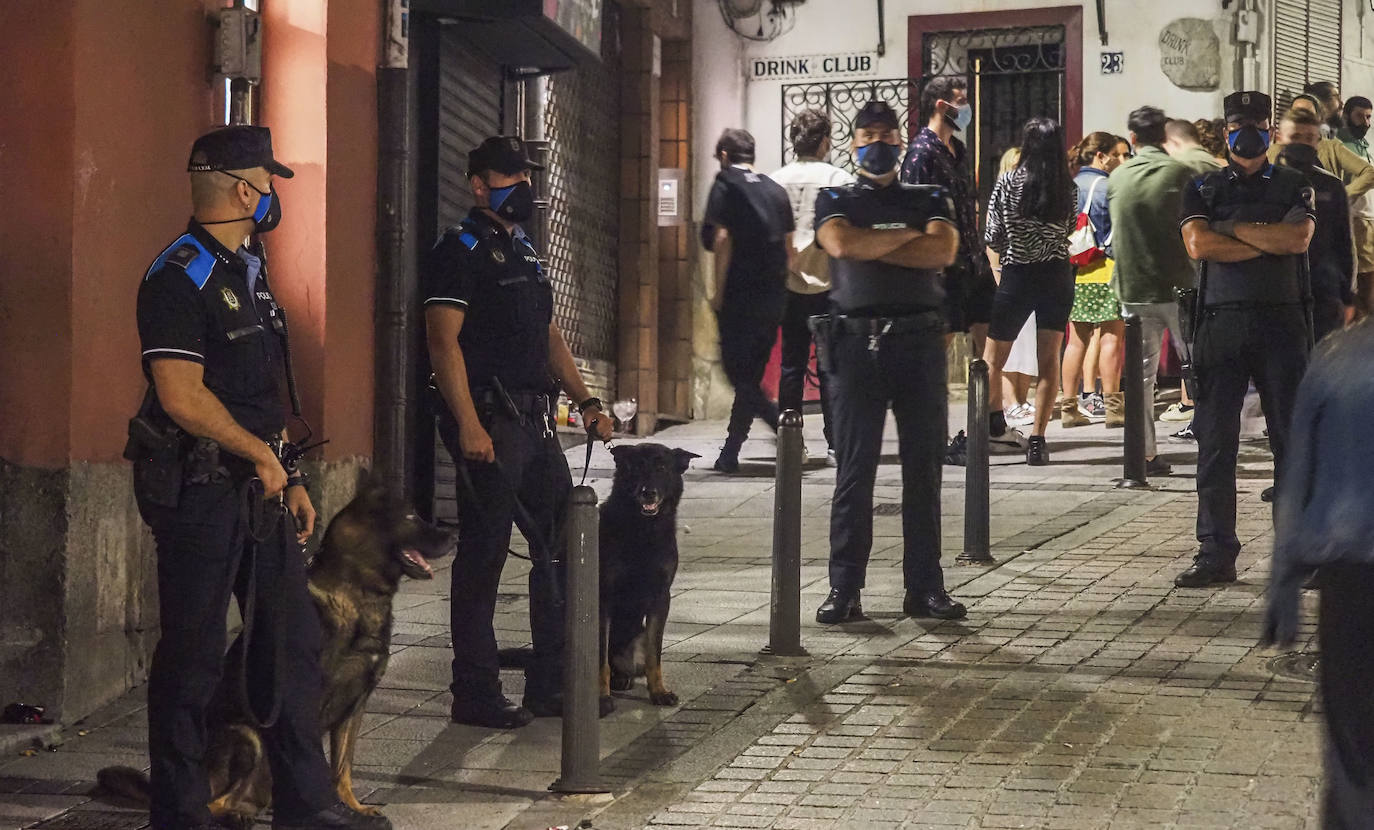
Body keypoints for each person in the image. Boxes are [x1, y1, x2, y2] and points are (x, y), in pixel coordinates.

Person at [131, 126, 387, 829]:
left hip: (262, 489)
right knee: (193, 656)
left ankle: (306, 805)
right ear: (245, 189)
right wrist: (260, 454)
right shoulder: (178, 275)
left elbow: (258, 391)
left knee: (292, 645)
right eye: (268, 181)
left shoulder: (249, 267)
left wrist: (290, 471)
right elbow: (181, 395)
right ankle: (179, 813)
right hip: (200, 490)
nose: (274, 193)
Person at [423, 135, 613, 728]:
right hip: (493, 422)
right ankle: (475, 693)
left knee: (562, 546)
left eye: (524, 174)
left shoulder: (526, 251)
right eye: (507, 176)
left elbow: (549, 334)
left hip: (536, 422)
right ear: (478, 184)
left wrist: (586, 402)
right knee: (482, 558)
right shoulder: (458, 250)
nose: (520, 185)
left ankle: (550, 683)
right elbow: (441, 341)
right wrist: (469, 425)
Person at [811, 100, 966, 624]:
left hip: (919, 344)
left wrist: (870, 243)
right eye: (867, 134)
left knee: (924, 473)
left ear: (901, 141)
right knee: (855, 473)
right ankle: (844, 590)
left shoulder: (931, 195)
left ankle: (925, 589)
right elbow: (838, 241)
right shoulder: (834, 197)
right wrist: (907, 238)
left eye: (886, 133)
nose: (877, 142)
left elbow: (941, 253)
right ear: (852, 142)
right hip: (855, 346)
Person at [1175, 91, 1315, 588]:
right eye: (1238, 123)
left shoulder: (1295, 184)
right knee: (1215, 445)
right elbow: (1198, 244)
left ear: (1270, 131)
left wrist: (1230, 230)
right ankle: (1215, 552)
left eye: (1257, 123)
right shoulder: (1202, 187)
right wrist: (1261, 238)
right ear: (1225, 129)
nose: (1247, 132)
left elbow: (1296, 241)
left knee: (1291, 443)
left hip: (1282, 325)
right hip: (1219, 324)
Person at [1263, 321, 1374, 827]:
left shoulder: (1336, 355)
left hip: (1349, 575)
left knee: (1351, 746)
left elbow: (1298, 471)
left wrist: (1284, 582)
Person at [900, 76, 1000, 461]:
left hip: (971, 263)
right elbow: (914, 214)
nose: (967, 108)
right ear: (942, 106)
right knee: (933, 354)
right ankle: (931, 437)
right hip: (943, 269)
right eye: (961, 101)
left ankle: (990, 424)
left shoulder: (957, 149)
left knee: (991, 340)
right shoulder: (921, 154)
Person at [983, 117, 1078, 465]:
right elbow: (1069, 227)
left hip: (1017, 273)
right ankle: (1038, 439)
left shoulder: (1008, 181)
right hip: (1056, 274)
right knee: (1049, 359)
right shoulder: (1067, 186)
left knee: (994, 357)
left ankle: (994, 421)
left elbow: (993, 233)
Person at [702, 128, 795, 473]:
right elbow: (790, 248)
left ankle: (781, 424)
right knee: (751, 377)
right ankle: (730, 452)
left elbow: (722, 238)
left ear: (725, 155)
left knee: (736, 373)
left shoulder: (725, 184)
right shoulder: (775, 190)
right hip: (772, 299)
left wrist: (718, 292)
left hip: (740, 298)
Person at [769, 110, 854, 459]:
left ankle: (792, 443)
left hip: (789, 286)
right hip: (829, 286)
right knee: (830, 366)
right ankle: (835, 443)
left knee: (791, 364)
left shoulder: (774, 181)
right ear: (823, 141)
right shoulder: (839, 178)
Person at [1061, 132, 1128, 429]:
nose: (1119, 161)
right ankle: (1114, 409)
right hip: (1107, 268)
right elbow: (1118, 231)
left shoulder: (1069, 186)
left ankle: (1068, 408)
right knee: (1112, 338)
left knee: (1076, 341)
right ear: (1100, 156)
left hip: (1076, 272)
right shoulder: (1108, 186)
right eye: (1116, 154)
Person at [1274, 107, 1356, 341]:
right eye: (1295, 137)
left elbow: (1344, 242)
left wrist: (1347, 297)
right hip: (1278, 290)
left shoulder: (1331, 185)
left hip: (1324, 288)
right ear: (1280, 138)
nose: (1302, 144)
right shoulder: (1266, 183)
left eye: (1309, 138)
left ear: (1318, 140)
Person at [1275, 95, 1374, 200]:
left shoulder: (1332, 147)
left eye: (1308, 114)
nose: (1302, 119)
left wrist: (1341, 195)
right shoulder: (1276, 149)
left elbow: (1369, 172)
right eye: (1297, 113)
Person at [1336, 96, 1374, 316]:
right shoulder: (1341, 146)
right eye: (1360, 116)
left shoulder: (1363, 145)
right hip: (1356, 218)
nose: (1366, 123)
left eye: (1368, 117)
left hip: (1367, 218)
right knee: (1365, 280)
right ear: (1346, 115)